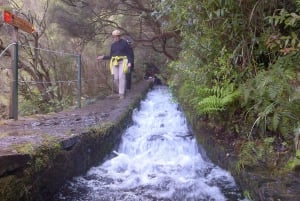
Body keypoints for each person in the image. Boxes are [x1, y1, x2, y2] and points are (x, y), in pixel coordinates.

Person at [97, 29, 134, 99]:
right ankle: (122, 90)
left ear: (119, 36)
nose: (115, 38)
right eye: (114, 36)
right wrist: (103, 57)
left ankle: (121, 94)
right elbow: (111, 56)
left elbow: (129, 54)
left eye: (117, 36)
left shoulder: (125, 43)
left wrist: (130, 62)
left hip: (123, 62)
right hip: (115, 62)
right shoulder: (113, 45)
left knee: (121, 77)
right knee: (116, 79)